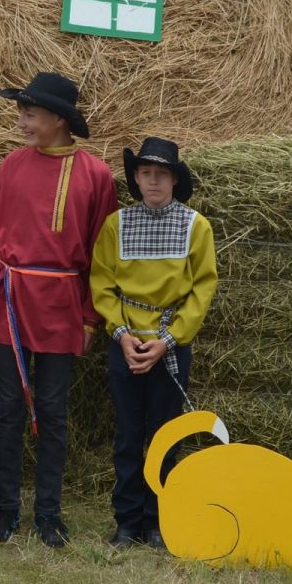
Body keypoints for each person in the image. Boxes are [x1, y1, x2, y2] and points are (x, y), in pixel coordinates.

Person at [0, 72, 118, 547]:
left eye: (29, 115)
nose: (22, 123)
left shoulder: (95, 175)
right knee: (8, 410)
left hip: (62, 305)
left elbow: (102, 252)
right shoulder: (10, 167)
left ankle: (49, 513)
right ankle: (6, 509)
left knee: (53, 411)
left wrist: (92, 316)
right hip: (12, 301)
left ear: (58, 119)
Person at [89, 137, 218, 551]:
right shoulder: (116, 225)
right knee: (128, 433)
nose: (154, 181)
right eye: (146, 173)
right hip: (125, 341)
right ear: (137, 179)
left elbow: (202, 289)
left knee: (165, 434)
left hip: (169, 344)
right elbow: (103, 285)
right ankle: (127, 521)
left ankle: (160, 519)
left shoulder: (196, 226)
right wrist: (122, 334)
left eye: (162, 174)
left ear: (175, 180)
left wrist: (168, 339)